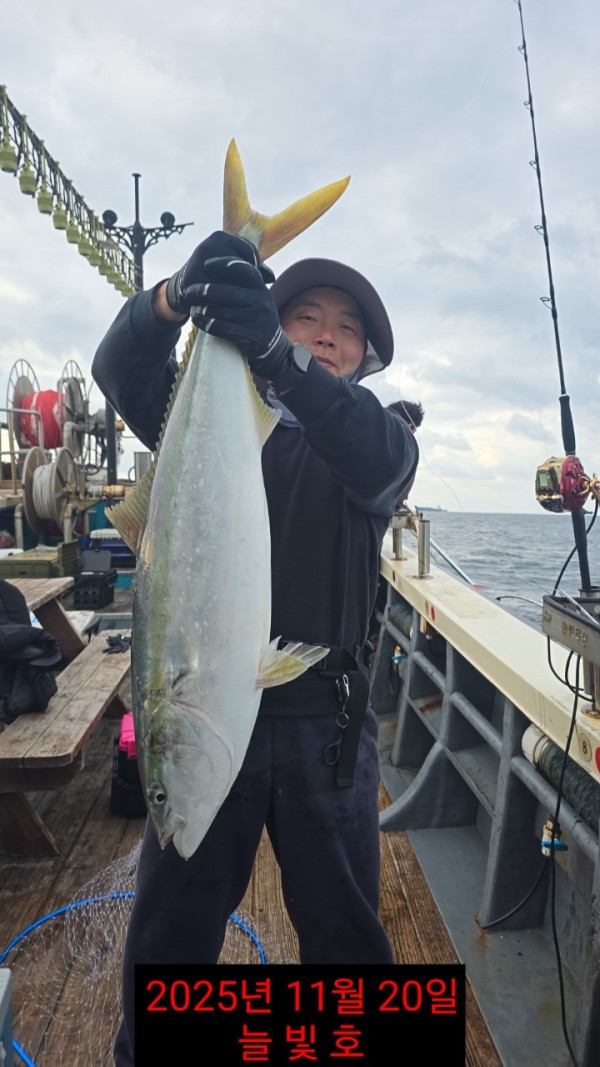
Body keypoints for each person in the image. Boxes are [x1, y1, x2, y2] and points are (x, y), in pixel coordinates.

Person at [92, 230, 419, 1066]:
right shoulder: (211, 426)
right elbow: (118, 368)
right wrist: (176, 295)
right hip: (202, 711)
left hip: (325, 729)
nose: (326, 335)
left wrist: (277, 354)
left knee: (345, 933)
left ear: (366, 358)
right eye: (305, 316)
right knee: (169, 930)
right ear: (271, 318)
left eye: (346, 329)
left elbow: (377, 455)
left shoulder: (376, 440)